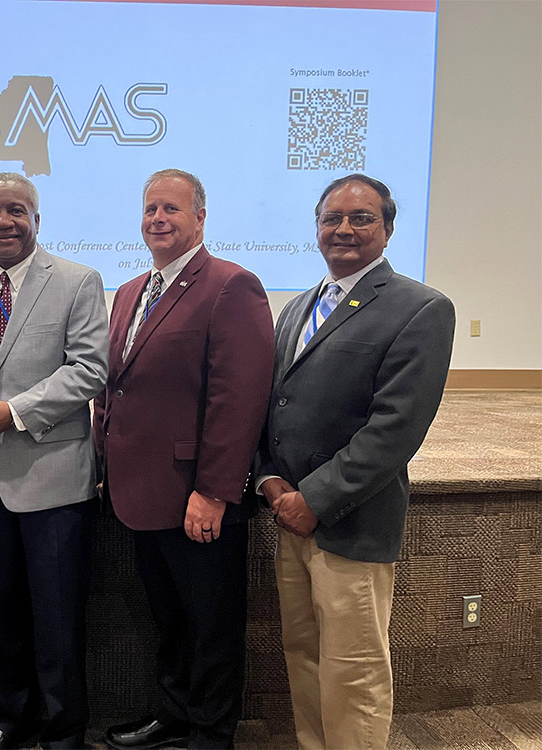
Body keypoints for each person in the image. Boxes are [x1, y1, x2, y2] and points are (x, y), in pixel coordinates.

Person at [254, 173, 455, 749]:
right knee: (305, 654)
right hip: (288, 513)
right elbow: (273, 404)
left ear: (388, 230)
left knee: (355, 666)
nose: (343, 229)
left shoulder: (420, 309)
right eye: (331, 219)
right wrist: (270, 481)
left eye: (361, 218)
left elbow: (395, 430)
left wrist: (313, 499)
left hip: (352, 520)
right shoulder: (298, 308)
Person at [94, 169, 274, 750]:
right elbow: (117, 386)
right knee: (169, 618)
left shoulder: (230, 286)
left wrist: (215, 490)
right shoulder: (128, 293)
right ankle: (173, 714)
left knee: (211, 624)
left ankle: (210, 731)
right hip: (138, 491)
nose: (157, 219)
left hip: (197, 495)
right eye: (149, 209)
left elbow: (238, 399)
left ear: (200, 217)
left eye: (170, 208)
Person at [0, 172, 108, 750]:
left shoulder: (77, 280)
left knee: (57, 617)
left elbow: (90, 369)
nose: (3, 221)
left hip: (53, 478)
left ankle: (63, 731)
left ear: (37, 219)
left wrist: (12, 411)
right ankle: (10, 717)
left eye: (16, 210)